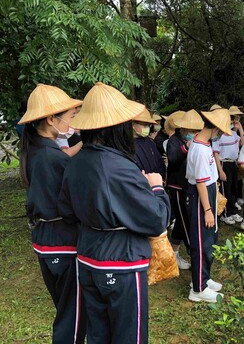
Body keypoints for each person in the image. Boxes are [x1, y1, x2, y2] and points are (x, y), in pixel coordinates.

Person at [58, 82, 171, 343]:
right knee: (129, 336)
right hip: (121, 264)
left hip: (87, 259)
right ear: (118, 126)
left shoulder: (75, 163)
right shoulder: (120, 167)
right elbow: (156, 220)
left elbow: (66, 210)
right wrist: (156, 188)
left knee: (98, 334)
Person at [18, 83, 86, 344]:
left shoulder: (38, 147)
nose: (72, 122)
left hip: (46, 240)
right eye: (70, 116)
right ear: (50, 119)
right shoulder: (51, 157)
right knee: (72, 317)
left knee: (67, 310)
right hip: (62, 243)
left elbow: (63, 156)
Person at [186, 108, 231, 303]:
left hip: (208, 192)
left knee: (209, 239)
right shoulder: (201, 149)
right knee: (202, 242)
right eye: (221, 131)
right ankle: (198, 289)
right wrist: (207, 210)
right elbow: (200, 183)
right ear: (215, 129)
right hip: (200, 197)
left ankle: (203, 278)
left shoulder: (203, 143)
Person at [167, 110, 204, 270]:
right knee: (185, 221)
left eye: (196, 130)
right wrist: (186, 147)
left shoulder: (197, 142)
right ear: (182, 129)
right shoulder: (173, 141)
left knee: (181, 224)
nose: (194, 133)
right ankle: (196, 256)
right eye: (191, 130)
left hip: (190, 186)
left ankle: (174, 254)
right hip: (177, 187)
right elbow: (173, 159)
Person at [213, 106, 244, 225]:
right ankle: (225, 213)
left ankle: (232, 210)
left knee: (233, 188)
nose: (233, 121)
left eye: (234, 119)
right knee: (225, 188)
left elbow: (243, 143)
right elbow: (215, 153)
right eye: (231, 119)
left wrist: (240, 128)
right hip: (223, 163)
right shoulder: (218, 136)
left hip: (233, 163)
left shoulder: (233, 134)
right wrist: (220, 170)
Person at [133, 107, 166, 180]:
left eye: (148, 125)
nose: (147, 128)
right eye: (144, 125)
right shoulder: (127, 144)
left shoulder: (149, 141)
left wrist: (161, 178)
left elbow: (159, 161)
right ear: (133, 124)